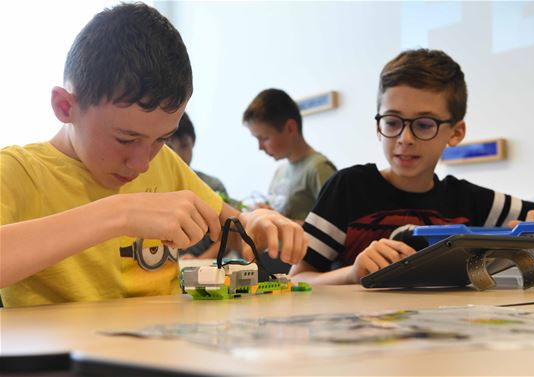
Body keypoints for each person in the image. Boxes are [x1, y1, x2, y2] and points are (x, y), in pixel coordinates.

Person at [0, 3, 307, 308]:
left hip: (166, 347)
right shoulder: (17, 171)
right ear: (66, 107)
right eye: (125, 139)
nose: (142, 163)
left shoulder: (164, 163)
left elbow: (233, 225)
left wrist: (256, 221)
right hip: (64, 356)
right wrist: (119, 213)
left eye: (161, 139)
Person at [289, 48, 534, 285]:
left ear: (456, 132)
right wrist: (353, 273)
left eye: (424, 125)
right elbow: (298, 279)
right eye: (392, 122)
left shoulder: (468, 201)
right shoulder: (348, 187)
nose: (405, 139)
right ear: (378, 126)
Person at [242, 88, 337, 223]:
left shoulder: (319, 169)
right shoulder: (280, 171)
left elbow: (335, 225)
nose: (260, 147)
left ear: (290, 128)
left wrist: (280, 221)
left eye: (265, 138)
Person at [167, 112, 228, 195]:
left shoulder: (212, 186)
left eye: (184, 146)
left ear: (193, 143)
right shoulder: (152, 186)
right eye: (170, 148)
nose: (177, 154)